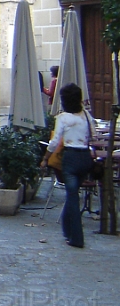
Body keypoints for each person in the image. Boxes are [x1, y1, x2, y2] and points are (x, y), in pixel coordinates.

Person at [41, 83, 95, 248]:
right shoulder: (86, 115)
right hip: (85, 158)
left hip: (70, 159)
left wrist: (45, 158)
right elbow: (93, 133)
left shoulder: (63, 118)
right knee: (72, 196)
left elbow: (55, 142)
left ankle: (76, 238)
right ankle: (66, 230)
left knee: (72, 197)